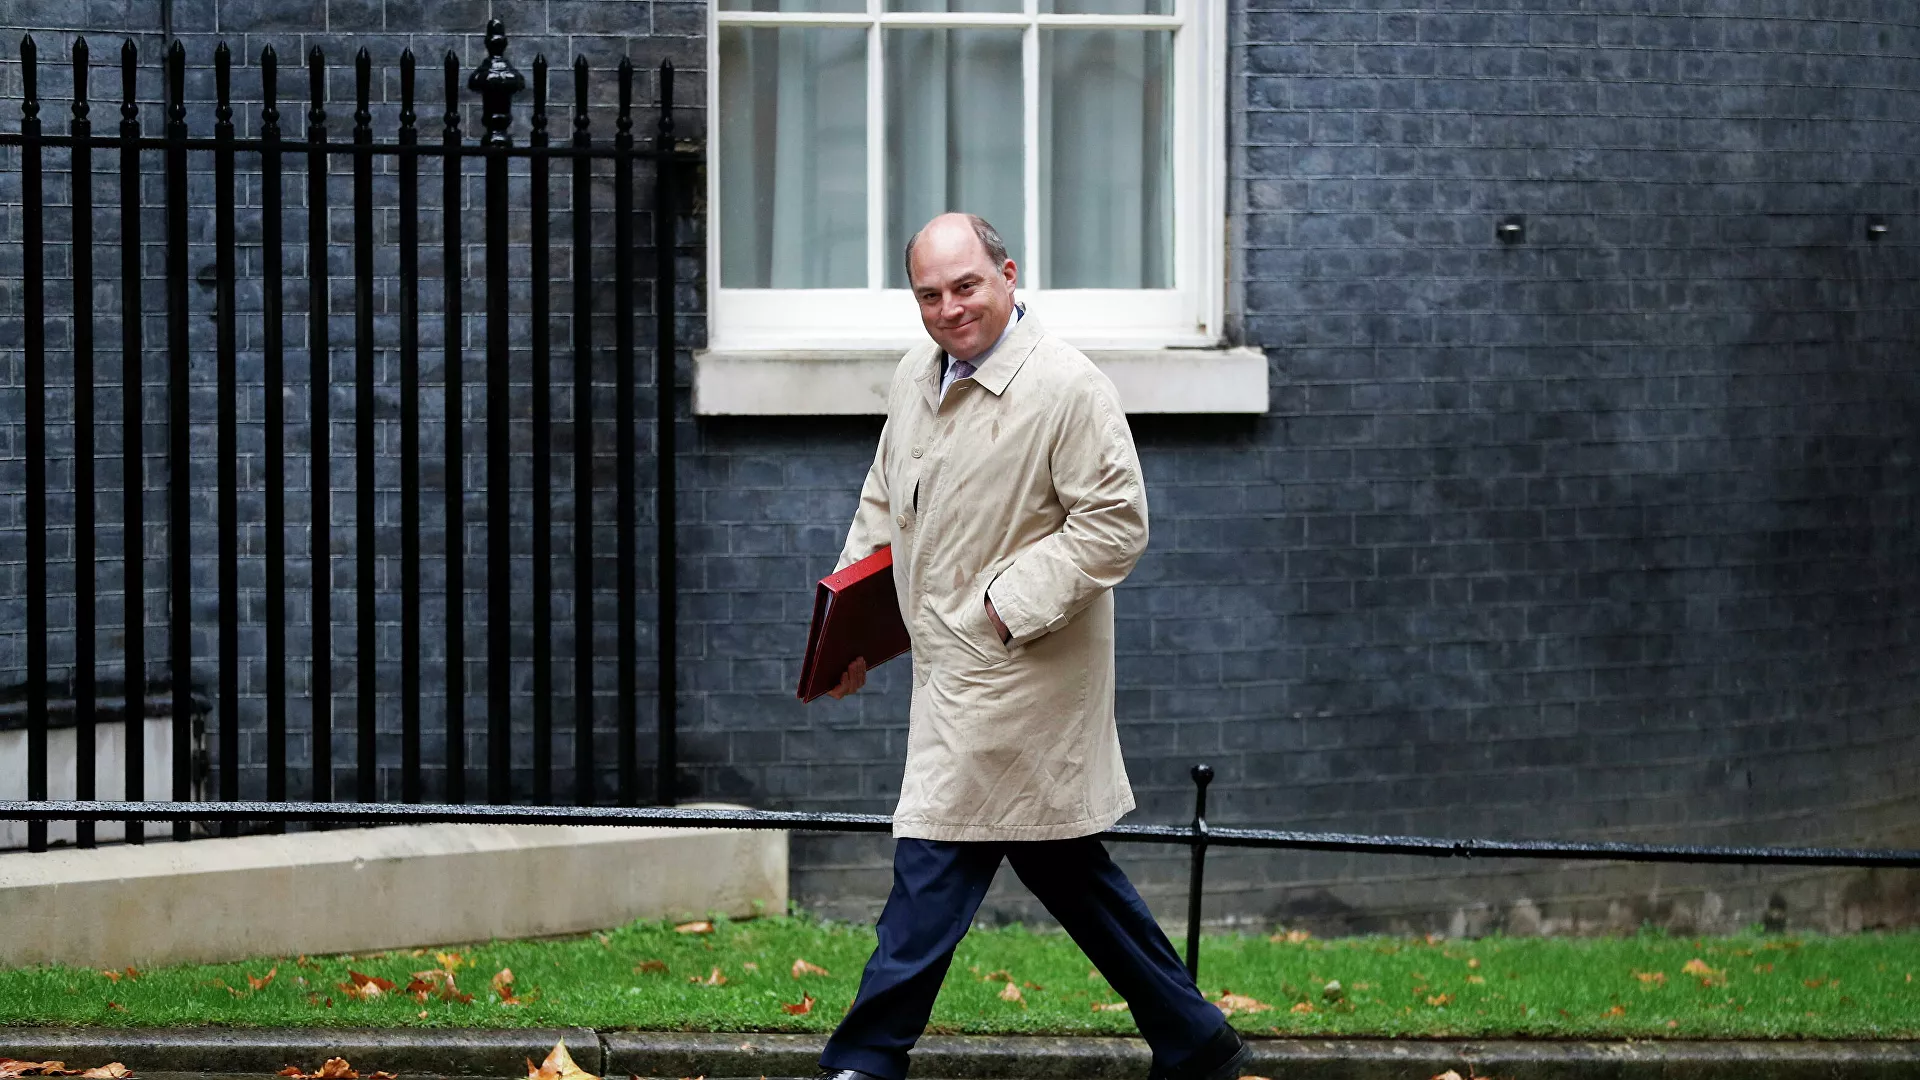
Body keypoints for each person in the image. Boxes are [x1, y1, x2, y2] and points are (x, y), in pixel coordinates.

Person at [814, 212, 1252, 1080]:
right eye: (929, 295)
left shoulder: (1067, 387)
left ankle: (865, 1060)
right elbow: (883, 502)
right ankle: (1197, 1041)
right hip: (951, 672)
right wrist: (847, 628)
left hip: (1020, 677)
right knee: (1065, 869)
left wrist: (1002, 608)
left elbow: (1116, 525)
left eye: (966, 286)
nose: (949, 309)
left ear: (1008, 275)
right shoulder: (915, 376)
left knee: (933, 860)